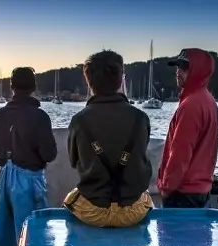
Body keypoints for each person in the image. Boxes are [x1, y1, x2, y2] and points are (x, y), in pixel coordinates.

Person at [0, 67, 57, 246]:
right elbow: (49, 154)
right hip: (28, 178)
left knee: (2, 234)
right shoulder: (39, 116)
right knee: (31, 234)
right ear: (34, 86)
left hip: (4, 176)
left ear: (12, 87)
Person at [63, 50, 153, 227]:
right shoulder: (141, 118)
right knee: (147, 197)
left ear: (89, 81)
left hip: (92, 212)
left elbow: (74, 162)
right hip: (132, 212)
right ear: (121, 79)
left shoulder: (79, 121)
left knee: (70, 199)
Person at [157, 48, 218, 208]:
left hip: (182, 194)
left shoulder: (191, 105)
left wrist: (166, 188)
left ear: (199, 71)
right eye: (177, 67)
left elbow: (180, 153)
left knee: (172, 234)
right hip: (200, 192)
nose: (178, 72)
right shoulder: (209, 102)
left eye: (185, 68)